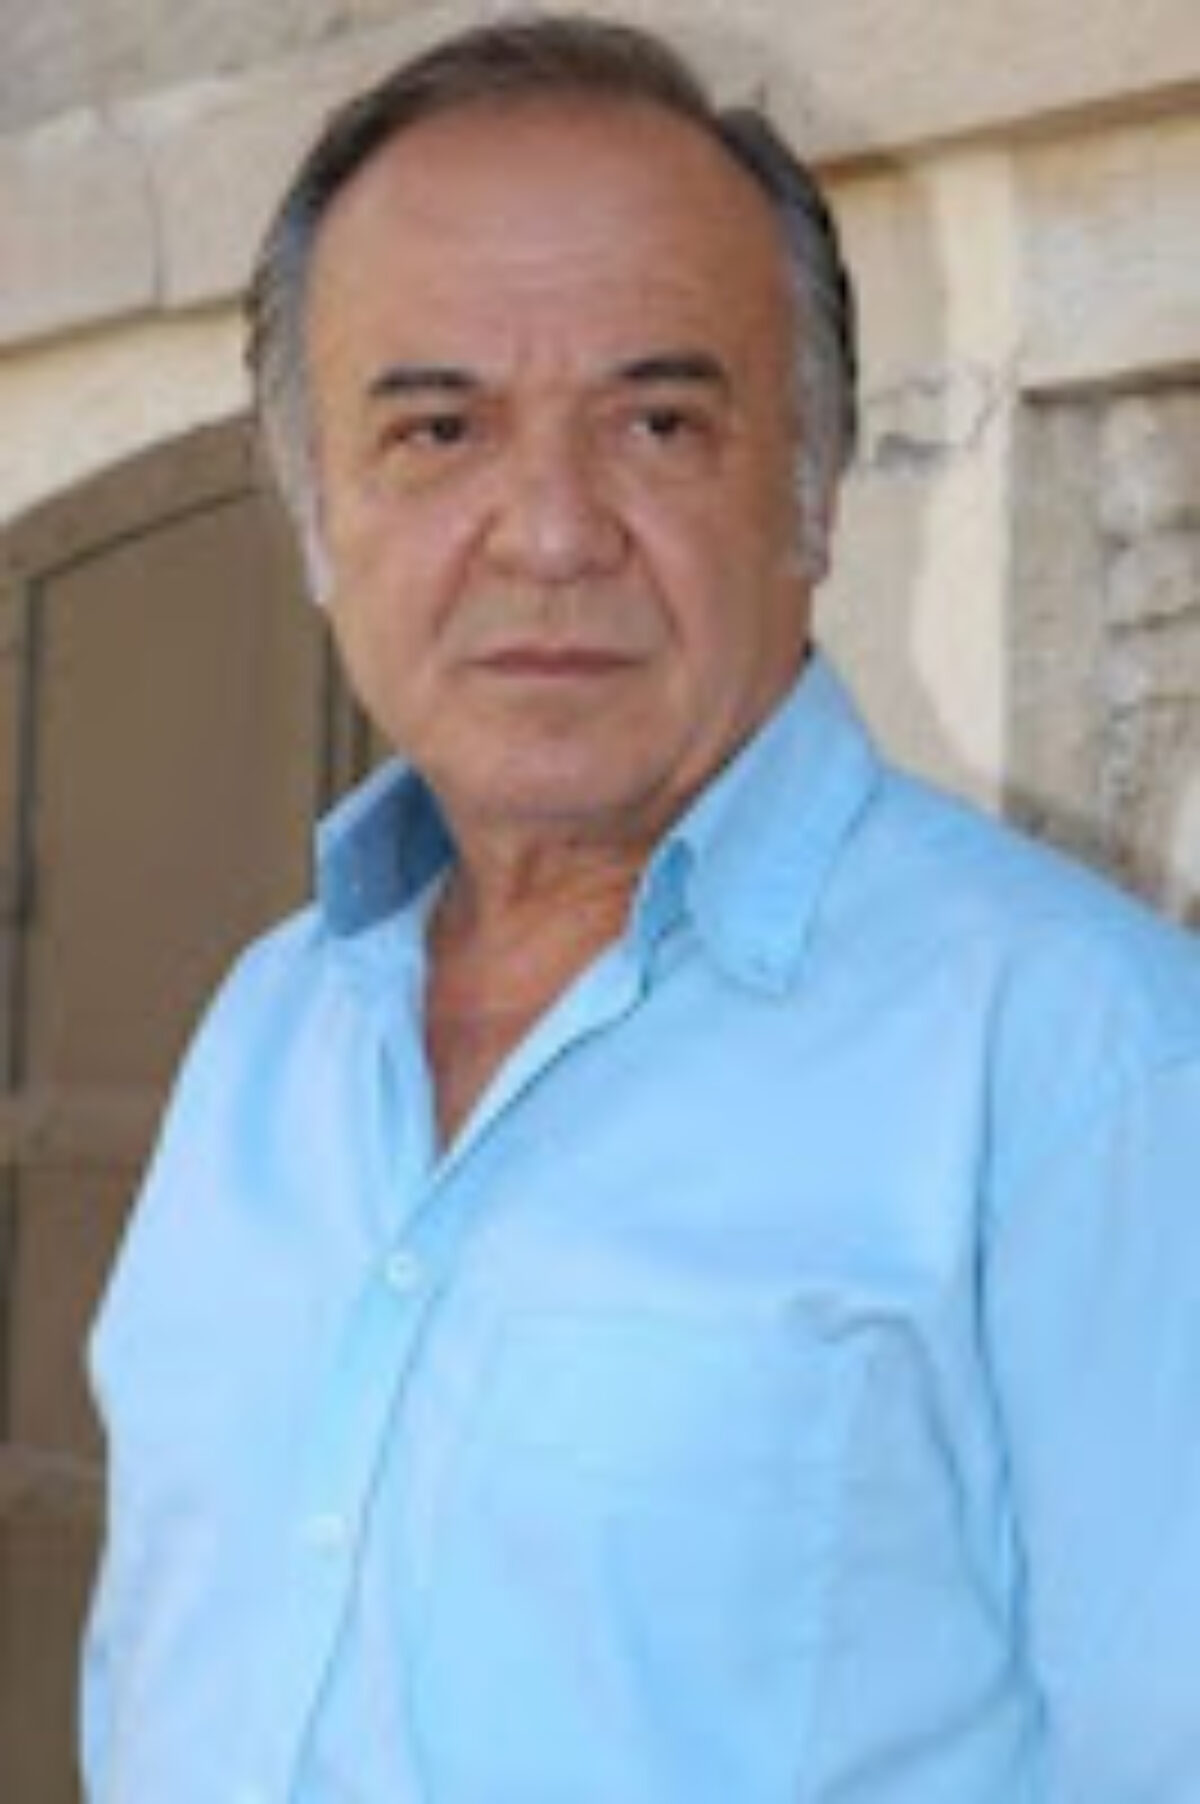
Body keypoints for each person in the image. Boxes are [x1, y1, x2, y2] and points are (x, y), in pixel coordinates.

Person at [81, 15, 1200, 1803]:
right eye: (437, 428)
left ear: (813, 491)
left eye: (660, 423)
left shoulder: (1095, 1071)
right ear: (315, 515)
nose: (549, 530)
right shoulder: (264, 1034)